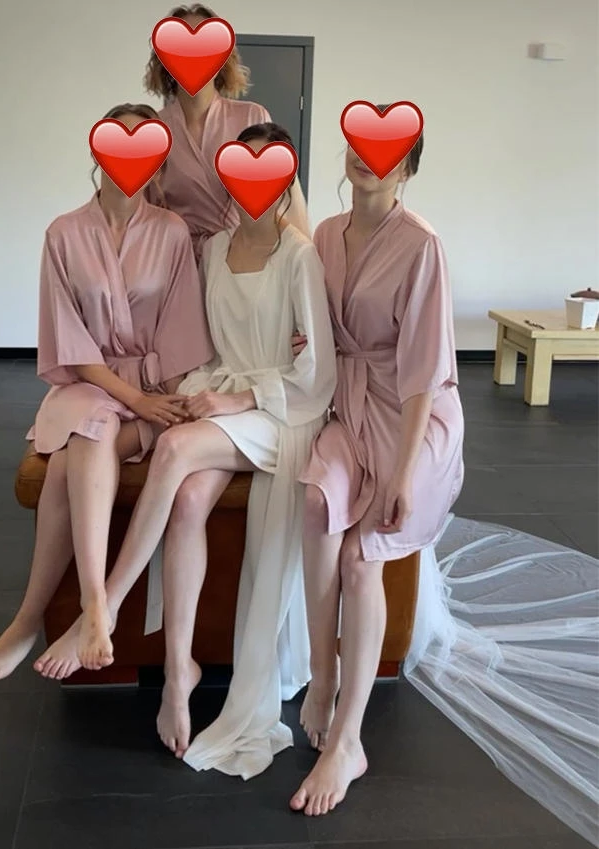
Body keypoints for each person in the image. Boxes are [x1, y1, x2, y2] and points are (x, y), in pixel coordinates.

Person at [40, 123, 337, 770]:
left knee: (174, 450)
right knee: (187, 500)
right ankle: (180, 673)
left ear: (286, 180)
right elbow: (202, 345)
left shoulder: (300, 257)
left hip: (280, 411)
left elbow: (317, 374)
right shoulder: (214, 248)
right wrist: (197, 392)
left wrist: (238, 399)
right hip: (223, 394)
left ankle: (103, 609)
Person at [0, 103, 214, 684]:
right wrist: (135, 401)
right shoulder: (64, 232)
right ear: (97, 153)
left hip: (154, 381)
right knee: (91, 423)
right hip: (91, 382)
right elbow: (71, 344)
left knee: (67, 462)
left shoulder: (172, 231)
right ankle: (94, 604)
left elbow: (180, 330)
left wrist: (162, 404)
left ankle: (30, 621)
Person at [289, 114, 465, 816]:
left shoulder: (422, 244)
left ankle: (349, 740)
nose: (368, 160)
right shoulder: (325, 234)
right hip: (350, 406)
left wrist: (400, 473)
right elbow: (315, 327)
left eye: (386, 153)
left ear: (407, 169)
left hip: (413, 416)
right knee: (315, 503)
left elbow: (426, 370)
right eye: (360, 147)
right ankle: (322, 673)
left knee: (362, 557)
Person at [145, 3, 311, 262]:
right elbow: (144, 212)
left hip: (241, 257)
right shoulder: (154, 129)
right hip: (178, 260)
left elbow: (284, 198)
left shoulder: (252, 117)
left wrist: (301, 258)